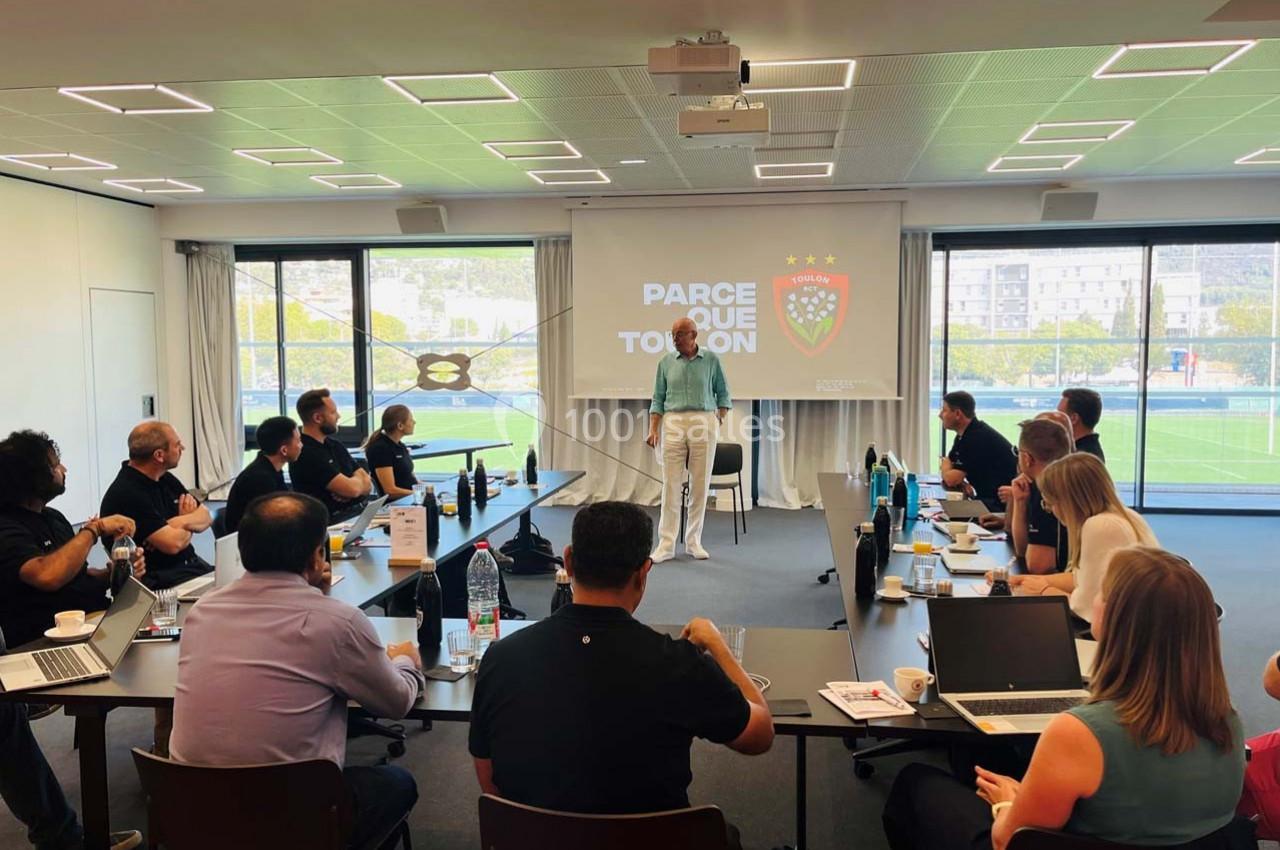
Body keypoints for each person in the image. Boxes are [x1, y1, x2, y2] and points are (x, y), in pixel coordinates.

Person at [884, 546, 1247, 850]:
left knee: (915, 786)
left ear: (1119, 619)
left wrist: (1009, 803)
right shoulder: (1228, 721)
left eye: (1102, 593)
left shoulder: (1082, 733)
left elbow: (1006, 840)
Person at [469, 501, 772, 843]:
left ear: (567, 561)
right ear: (644, 573)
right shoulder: (680, 664)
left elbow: (489, 780)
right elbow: (760, 735)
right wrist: (718, 646)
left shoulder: (500, 658)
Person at [169, 493, 424, 850]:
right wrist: (406, 661)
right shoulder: (338, 623)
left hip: (197, 814)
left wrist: (317, 598)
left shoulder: (202, 611)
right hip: (294, 819)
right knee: (398, 782)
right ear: (317, 555)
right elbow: (397, 703)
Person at [0, 430, 145, 647]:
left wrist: (114, 573)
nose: (64, 469)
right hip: (43, 643)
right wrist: (95, 529)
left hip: (91, 626)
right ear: (34, 475)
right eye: (56, 465)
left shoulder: (53, 518)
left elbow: (76, 575)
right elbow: (47, 575)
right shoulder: (6, 527)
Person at [1006, 453, 1157, 623]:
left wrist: (1044, 590)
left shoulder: (1099, 526)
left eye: (1050, 504)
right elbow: (1081, 578)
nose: (1052, 511)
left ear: (1067, 501)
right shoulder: (1126, 515)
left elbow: (1085, 609)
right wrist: (1026, 580)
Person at [645, 317, 731, 562]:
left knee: (700, 484)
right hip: (672, 421)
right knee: (670, 485)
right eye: (672, 334)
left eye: (680, 334)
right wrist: (654, 429)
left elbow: (724, 394)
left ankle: (694, 541)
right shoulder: (665, 362)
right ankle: (666, 545)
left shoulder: (711, 360)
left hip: (703, 420)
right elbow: (657, 399)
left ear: (694, 335)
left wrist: (717, 420)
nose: (675, 339)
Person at [99, 421, 211, 590]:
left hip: (191, 566)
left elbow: (206, 516)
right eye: (177, 445)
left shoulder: (164, 478)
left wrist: (177, 522)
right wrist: (187, 519)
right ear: (159, 455)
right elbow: (173, 544)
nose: (183, 448)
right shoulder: (127, 493)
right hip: (162, 581)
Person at [289, 388, 372, 519]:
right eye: (333, 412)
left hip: (355, 515)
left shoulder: (335, 445)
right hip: (328, 523)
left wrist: (352, 486)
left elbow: (367, 484)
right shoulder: (305, 453)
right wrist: (353, 487)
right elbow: (353, 489)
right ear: (317, 418)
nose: (339, 416)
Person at [1006, 419, 1073, 574]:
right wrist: (1020, 502)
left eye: (1018, 452)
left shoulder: (1049, 491)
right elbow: (1023, 550)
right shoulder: (1041, 485)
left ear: (1027, 459)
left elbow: (1038, 566)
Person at [939, 391, 1017, 510]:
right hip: (989, 499)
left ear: (958, 414)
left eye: (944, 410)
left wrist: (947, 469)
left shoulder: (976, 437)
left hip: (999, 505)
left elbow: (951, 478)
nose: (940, 415)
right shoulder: (965, 434)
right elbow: (951, 464)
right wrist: (957, 478)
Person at [222, 416, 300, 534]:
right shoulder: (259, 478)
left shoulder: (271, 469)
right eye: (298, 441)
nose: (301, 445)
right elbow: (274, 520)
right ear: (284, 450)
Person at [362, 405, 417, 499]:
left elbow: (410, 478)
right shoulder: (381, 449)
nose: (414, 422)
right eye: (411, 420)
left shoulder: (400, 446)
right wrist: (416, 494)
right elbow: (390, 491)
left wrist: (429, 489)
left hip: (409, 499)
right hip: (397, 505)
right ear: (400, 426)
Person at [1058, 388, 1104, 461]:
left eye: (1060, 414)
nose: (1055, 418)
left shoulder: (1080, 460)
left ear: (1073, 419)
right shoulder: (1088, 451)